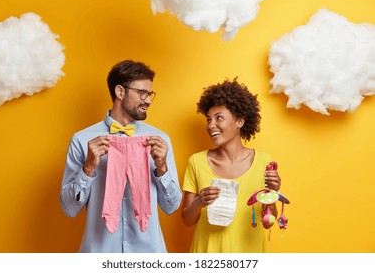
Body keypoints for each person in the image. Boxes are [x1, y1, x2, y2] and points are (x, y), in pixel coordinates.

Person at [60, 59, 182, 253]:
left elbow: (171, 207)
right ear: (120, 92)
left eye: (150, 94)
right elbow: (69, 209)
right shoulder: (82, 140)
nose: (149, 100)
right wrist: (88, 168)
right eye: (142, 93)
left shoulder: (159, 140)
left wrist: (162, 169)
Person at [181, 78, 282, 253]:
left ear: (239, 122)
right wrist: (199, 201)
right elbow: (187, 220)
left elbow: (269, 221)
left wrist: (273, 193)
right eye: (208, 119)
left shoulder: (264, 162)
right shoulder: (196, 162)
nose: (211, 125)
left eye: (218, 118)